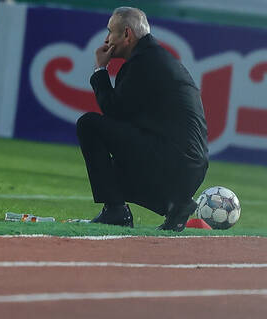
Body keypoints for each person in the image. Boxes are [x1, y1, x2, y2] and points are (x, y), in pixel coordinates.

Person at [76, 7, 208, 231]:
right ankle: (174, 206)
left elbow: (113, 111)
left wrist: (100, 70)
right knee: (113, 165)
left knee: (89, 125)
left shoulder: (143, 63)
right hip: (189, 166)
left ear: (127, 34)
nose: (107, 39)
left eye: (110, 32)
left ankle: (116, 211)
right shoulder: (157, 58)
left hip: (171, 160)